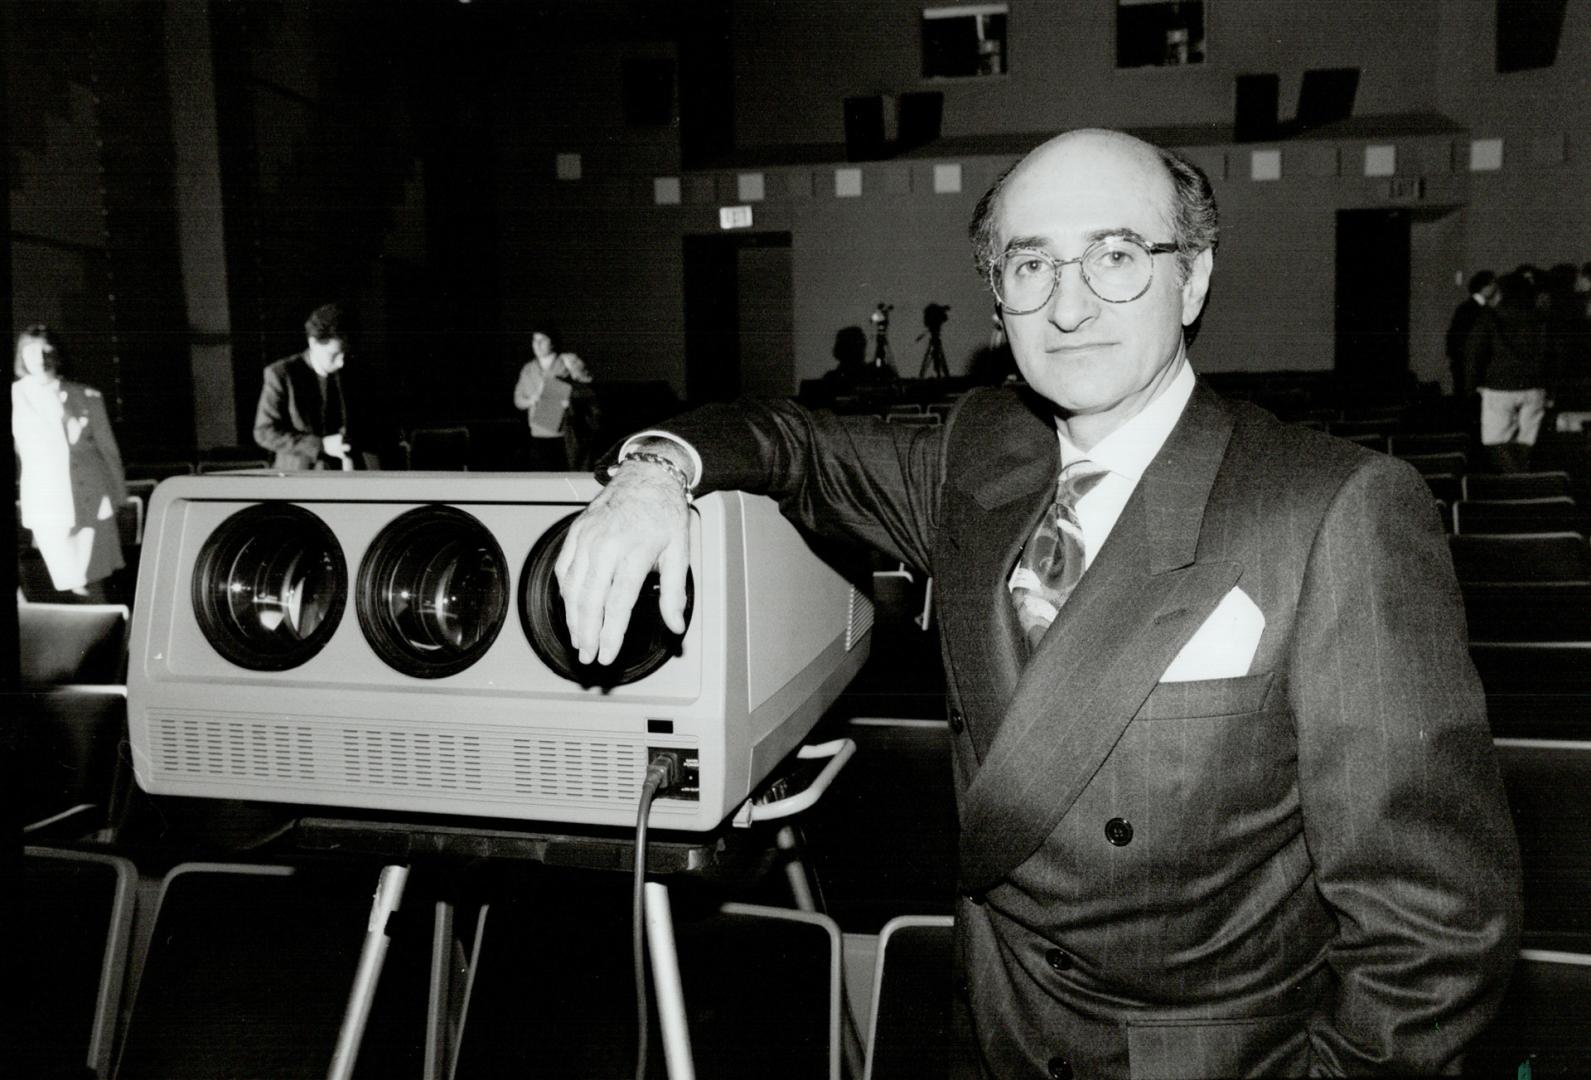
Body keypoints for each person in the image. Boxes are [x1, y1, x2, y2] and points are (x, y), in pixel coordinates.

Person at [555, 128, 1520, 1077]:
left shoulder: (1328, 506)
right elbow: (787, 442)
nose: (1068, 305)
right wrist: (652, 471)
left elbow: (1432, 927)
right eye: (1030, 265)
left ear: (1192, 278)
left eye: (1115, 257)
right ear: (999, 296)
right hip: (995, 1028)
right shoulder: (981, 449)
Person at [12, 323, 128, 600]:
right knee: (67, 581)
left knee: (93, 584)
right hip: (49, 504)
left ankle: (106, 636)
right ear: (22, 357)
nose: (40, 359)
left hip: (93, 501)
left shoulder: (88, 396)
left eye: (46, 351)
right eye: (32, 352)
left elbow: (109, 453)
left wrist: (119, 499)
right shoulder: (16, 396)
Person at [254, 302, 376, 470]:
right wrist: (320, 445)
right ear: (313, 343)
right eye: (333, 355)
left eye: (345, 354)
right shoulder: (281, 374)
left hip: (349, 475)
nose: (341, 362)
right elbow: (265, 432)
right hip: (298, 477)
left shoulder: (354, 371)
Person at [1468, 271, 1550, 472]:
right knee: (1527, 441)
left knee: (1495, 441)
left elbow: (1474, 353)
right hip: (1533, 386)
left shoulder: (1490, 316)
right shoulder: (1540, 317)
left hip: (1499, 386)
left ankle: (1516, 480)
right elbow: (1552, 353)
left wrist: (1471, 387)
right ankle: (1523, 479)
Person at [512, 323, 594, 470]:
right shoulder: (529, 369)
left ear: (552, 342)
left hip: (566, 436)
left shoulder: (567, 362)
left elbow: (588, 387)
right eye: (534, 340)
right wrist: (531, 400)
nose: (537, 344)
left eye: (542, 340)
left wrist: (571, 399)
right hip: (538, 434)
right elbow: (518, 400)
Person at [1445, 269, 1496, 399]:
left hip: (1464, 363)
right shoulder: (1480, 310)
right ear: (1486, 286)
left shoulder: (1466, 308)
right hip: (1470, 364)